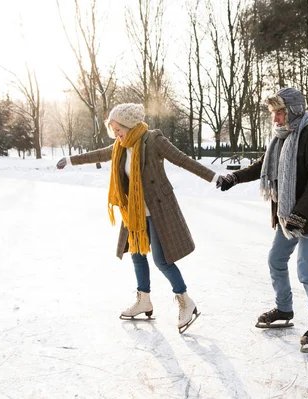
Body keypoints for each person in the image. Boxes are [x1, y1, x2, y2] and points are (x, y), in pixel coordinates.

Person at [56, 103, 219, 334]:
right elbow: (99, 153)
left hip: (158, 209)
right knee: (136, 254)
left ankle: (185, 301)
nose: (115, 135)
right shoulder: (120, 147)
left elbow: (182, 159)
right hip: (134, 211)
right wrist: (70, 160)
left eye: (116, 129)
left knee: (162, 260)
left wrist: (214, 177)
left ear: (127, 125)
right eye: (112, 130)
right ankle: (144, 300)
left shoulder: (152, 140)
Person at [217, 88, 308, 352]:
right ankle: (284, 309)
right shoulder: (280, 140)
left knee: (307, 270)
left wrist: (300, 214)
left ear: (293, 110)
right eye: (273, 113)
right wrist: (234, 178)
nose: (275, 119)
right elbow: (263, 166)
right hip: (286, 216)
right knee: (276, 260)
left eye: (279, 112)